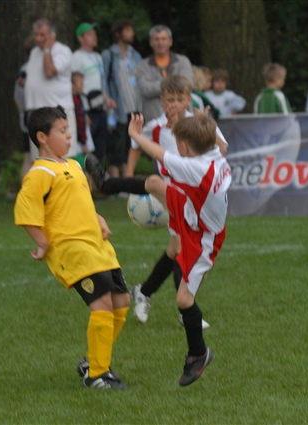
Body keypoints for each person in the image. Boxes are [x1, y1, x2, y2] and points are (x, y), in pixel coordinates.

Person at [85, 75, 227, 329]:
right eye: (170, 99)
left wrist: (209, 125)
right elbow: (138, 146)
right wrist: (129, 175)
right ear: (162, 101)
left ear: (189, 99)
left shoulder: (199, 123)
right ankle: (185, 310)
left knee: (174, 249)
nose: (174, 104)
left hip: (195, 199)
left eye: (180, 99)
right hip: (175, 197)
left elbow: (222, 150)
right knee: (179, 245)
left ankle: (144, 291)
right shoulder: (157, 127)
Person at [14, 106, 131, 390]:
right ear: (42, 137)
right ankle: (97, 374)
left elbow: (80, 202)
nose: (69, 136)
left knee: (121, 302)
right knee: (102, 304)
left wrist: (98, 218)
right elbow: (26, 213)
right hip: (72, 248)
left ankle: (92, 360)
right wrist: (43, 243)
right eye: (63, 131)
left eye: (69, 130)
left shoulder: (74, 166)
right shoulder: (39, 173)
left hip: (97, 245)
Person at [128, 112, 232, 386]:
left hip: (204, 238)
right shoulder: (217, 156)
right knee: (154, 184)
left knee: (184, 300)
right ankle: (105, 183)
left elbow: (158, 153)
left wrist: (135, 135)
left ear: (184, 147)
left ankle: (199, 354)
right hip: (194, 215)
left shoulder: (195, 168)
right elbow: (220, 144)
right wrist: (206, 123)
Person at [25, 18, 77, 159]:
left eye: (42, 35)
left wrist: (47, 49)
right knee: (40, 157)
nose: (38, 39)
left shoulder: (62, 51)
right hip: (37, 113)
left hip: (57, 113)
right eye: (36, 35)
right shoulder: (34, 52)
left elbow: (49, 71)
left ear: (52, 35)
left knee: (63, 157)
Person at [102, 19, 143, 179]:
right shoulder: (109, 55)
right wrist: (106, 98)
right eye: (127, 31)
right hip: (118, 107)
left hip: (135, 106)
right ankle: (115, 179)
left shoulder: (136, 55)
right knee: (116, 145)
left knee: (131, 144)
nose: (132, 34)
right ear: (118, 34)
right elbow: (103, 78)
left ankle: (127, 177)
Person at [72, 22, 115, 164]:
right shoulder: (77, 57)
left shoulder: (97, 56)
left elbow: (100, 82)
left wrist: (107, 99)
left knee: (100, 147)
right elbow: (74, 85)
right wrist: (81, 111)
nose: (94, 37)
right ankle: (85, 176)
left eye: (94, 34)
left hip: (100, 107)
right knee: (87, 149)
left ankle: (97, 176)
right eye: (89, 34)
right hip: (87, 109)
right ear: (81, 38)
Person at [136, 25, 193, 123]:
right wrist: (173, 83)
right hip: (155, 119)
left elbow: (188, 85)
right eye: (156, 39)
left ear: (170, 41)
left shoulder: (183, 61)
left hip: (183, 119)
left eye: (163, 39)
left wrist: (159, 86)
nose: (160, 42)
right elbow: (145, 89)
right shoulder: (142, 65)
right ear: (151, 42)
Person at [14, 36, 36, 180]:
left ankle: (26, 189)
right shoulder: (34, 70)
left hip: (26, 117)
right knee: (34, 157)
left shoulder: (23, 69)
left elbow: (17, 98)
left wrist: (22, 114)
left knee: (28, 157)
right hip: (34, 116)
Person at [72, 72, 95, 166]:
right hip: (78, 143)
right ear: (72, 85)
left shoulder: (78, 99)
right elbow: (79, 123)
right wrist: (83, 142)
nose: (83, 86)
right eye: (81, 83)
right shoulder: (74, 101)